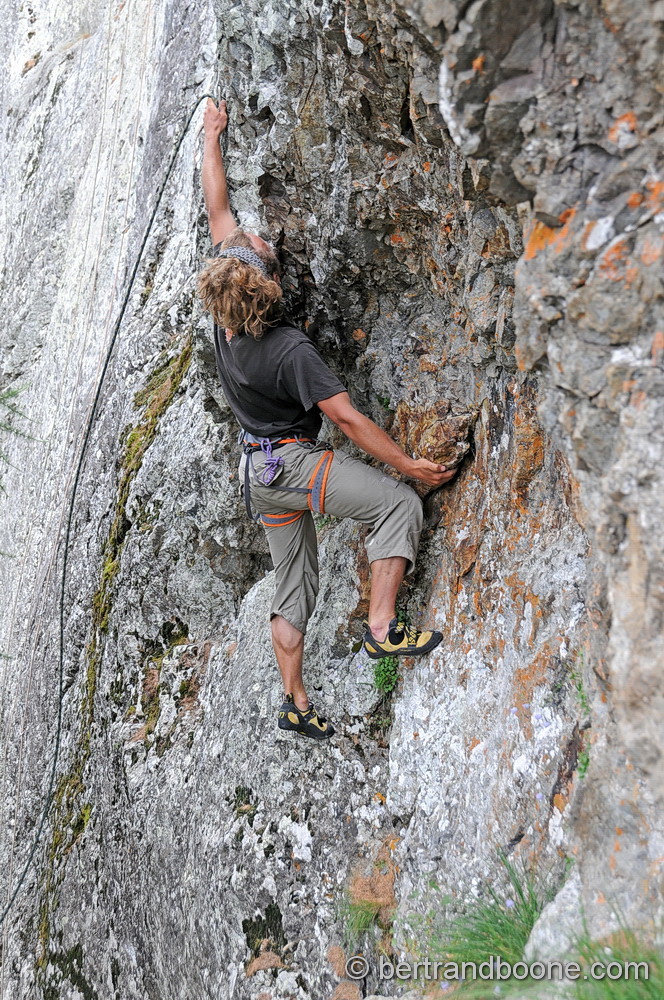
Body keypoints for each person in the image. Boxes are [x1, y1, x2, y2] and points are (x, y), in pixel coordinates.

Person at [197, 99, 457, 741]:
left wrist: (211, 135)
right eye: (261, 246)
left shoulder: (227, 318)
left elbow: (217, 207)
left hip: (258, 472)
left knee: (295, 588)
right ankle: (383, 630)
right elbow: (347, 421)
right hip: (291, 463)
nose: (257, 236)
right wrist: (406, 464)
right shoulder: (290, 351)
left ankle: (295, 701)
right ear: (265, 282)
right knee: (397, 505)